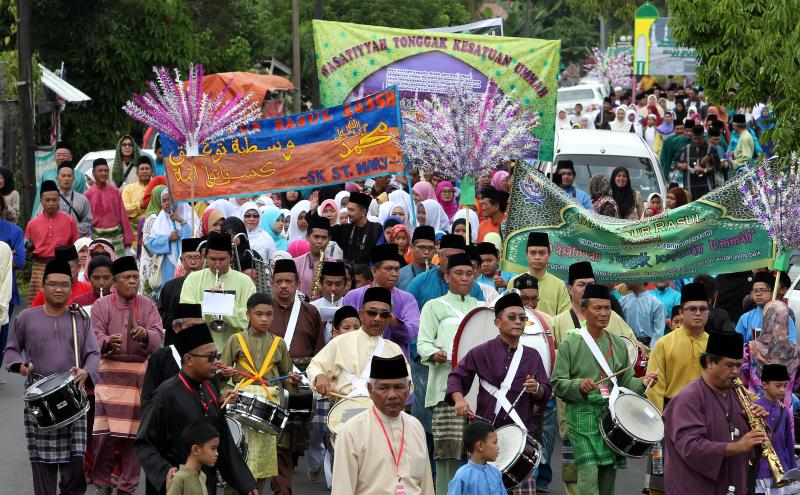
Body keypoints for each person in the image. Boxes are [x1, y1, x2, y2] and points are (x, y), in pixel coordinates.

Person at [3, 259, 100, 495]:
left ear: (71, 286)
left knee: (75, 468)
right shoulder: (26, 318)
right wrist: (20, 365)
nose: (59, 289)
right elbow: (11, 350)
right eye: (53, 284)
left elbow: (93, 353)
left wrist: (86, 371)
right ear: (43, 287)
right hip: (40, 399)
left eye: (64, 284)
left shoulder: (80, 319)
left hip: (73, 398)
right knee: (43, 468)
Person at [551, 284, 659, 495]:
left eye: (607, 308)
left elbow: (627, 383)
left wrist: (643, 382)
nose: (603, 313)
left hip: (610, 416)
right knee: (588, 471)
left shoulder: (618, 344)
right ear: (584, 311)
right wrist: (578, 385)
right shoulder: (570, 344)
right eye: (597, 308)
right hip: (581, 416)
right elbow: (557, 383)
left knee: (608, 475)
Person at [134, 323, 258, 495]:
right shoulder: (165, 395)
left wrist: (245, 483)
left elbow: (223, 441)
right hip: (175, 485)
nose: (216, 362)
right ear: (188, 359)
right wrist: (165, 471)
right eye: (210, 357)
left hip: (205, 483)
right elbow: (144, 442)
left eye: (216, 355)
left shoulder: (210, 389)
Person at [448, 291, 551, 495]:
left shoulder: (532, 355)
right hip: (486, 437)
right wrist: (459, 400)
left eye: (522, 318)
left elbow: (546, 392)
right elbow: (457, 377)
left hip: (521, 437)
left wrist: (537, 389)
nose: (518, 322)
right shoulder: (481, 351)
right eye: (511, 317)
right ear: (497, 322)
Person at [90, 256, 164, 495]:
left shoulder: (148, 305)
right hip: (109, 373)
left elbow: (157, 335)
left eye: (135, 277)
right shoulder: (101, 305)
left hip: (139, 376)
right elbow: (94, 336)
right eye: (127, 278)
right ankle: (102, 480)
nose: (133, 282)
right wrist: (107, 341)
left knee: (134, 436)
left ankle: (128, 486)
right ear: (114, 282)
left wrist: (145, 334)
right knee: (105, 435)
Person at [663, 331, 768, 495]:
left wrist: (761, 427)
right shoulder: (687, 400)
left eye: (739, 366)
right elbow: (691, 447)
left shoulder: (739, 395)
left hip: (734, 485)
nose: (735, 371)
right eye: (729, 365)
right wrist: (737, 446)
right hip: (695, 488)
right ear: (710, 362)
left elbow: (756, 442)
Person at [415, 252, 482, 493]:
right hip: (445, 391)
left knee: (480, 454)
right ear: (446, 277)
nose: (465, 278)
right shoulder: (434, 307)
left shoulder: (482, 309)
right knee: (448, 455)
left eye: (469, 273)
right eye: (458, 273)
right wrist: (434, 353)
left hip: (479, 392)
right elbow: (422, 342)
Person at [220, 293, 300, 492]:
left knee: (262, 460)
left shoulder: (279, 343)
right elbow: (220, 376)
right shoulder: (235, 340)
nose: (264, 319)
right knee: (239, 453)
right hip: (240, 404)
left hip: (268, 407)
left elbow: (286, 376)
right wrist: (224, 373)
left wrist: (292, 380)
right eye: (259, 314)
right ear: (248, 314)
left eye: (269, 314)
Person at [642, 282, 710, 495]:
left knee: (699, 477)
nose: (698, 314)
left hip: (705, 418)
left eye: (703, 309)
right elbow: (654, 386)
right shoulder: (664, 343)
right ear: (681, 312)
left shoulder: (715, 344)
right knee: (660, 479)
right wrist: (659, 422)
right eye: (692, 309)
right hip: (669, 417)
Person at [331, 354, 433, 495]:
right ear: (370, 390)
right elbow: (342, 489)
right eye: (384, 388)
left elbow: (426, 486)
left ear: (409, 388)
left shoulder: (416, 427)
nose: (392, 395)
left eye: (399, 387)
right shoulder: (351, 432)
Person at [268, 258, 324, 494]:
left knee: (294, 444)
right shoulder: (264, 310)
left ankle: (284, 480)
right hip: (272, 382)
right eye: (279, 281)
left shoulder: (310, 312)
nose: (284, 286)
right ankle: (283, 488)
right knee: (277, 442)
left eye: (288, 281)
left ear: (297, 283)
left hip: (301, 385)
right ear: (271, 284)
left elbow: (319, 350)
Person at [307, 287, 407, 399]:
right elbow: (315, 365)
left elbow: (406, 384)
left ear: (389, 319)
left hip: (380, 411)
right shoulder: (340, 342)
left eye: (384, 314)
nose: (378, 318)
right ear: (361, 314)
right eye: (372, 312)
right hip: (345, 409)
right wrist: (319, 376)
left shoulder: (394, 350)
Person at [180, 231, 257, 352]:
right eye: (213, 259)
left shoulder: (245, 282)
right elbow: (186, 316)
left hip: (235, 350)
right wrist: (209, 301)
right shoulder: (193, 279)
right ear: (205, 256)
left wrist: (224, 304)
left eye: (222, 259)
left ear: (231, 257)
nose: (217, 264)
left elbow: (249, 318)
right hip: (200, 349)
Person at [342, 244, 419, 359]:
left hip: (394, 361)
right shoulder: (353, 296)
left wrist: (390, 318)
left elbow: (411, 334)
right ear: (374, 270)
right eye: (388, 269)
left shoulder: (407, 299)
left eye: (397, 269)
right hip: (358, 358)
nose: (394, 273)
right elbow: (347, 330)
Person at [25, 180, 79, 305]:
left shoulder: (69, 220)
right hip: (39, 267)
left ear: (59, 200)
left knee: (63, 302)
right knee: (36, 305)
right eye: (47, 200)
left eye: (54, 200)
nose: (51, 203)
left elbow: (75, 247)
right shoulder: (32, 224)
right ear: (41, 200)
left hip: (63, 266)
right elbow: (27, 249)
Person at [140, 304, 205, 406]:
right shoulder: (160, 358)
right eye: (191, 326)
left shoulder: (205, 357)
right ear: (176, 327)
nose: (196, 331)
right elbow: (148, 398)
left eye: (200, 326)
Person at [752, 364, 798, 495]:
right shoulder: (754, 408)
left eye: (785, 385)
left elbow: (789, 443)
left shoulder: (784, 411)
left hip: (782, 470)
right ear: (764, 385)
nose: (783, 390)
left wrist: (792, 470)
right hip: (761, 470)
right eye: (778, 385)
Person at [144, 189, 199, 297]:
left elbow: (195, 235)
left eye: (170, 200)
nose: (167, 203)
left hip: (188, 262)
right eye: (164, 201)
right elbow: (151, 244)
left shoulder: (189, 214)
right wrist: (168, 239)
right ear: (161, 204)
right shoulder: (159, 221)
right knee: (169, 293)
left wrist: (182, 222)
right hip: (167, 263)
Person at [507, 232, 570, 316]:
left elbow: (564, 317)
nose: (537, 257)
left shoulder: (559, 285)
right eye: (533, 253)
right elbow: (507, 312)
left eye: (542, 253)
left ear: (549, 255)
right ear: (526, 254)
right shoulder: (515, 282)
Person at [158, 238, 204, 345]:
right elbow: (160, 315)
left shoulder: (209, 284)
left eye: (197, 257)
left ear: (203, 259)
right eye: (189, 258)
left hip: (202, 338)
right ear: (182, 260)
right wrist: (178, 321)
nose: (193, 262)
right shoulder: (170, 286)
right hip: (175, 338)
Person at [85, 158, 134, 256]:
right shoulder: (87, 194)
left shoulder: (115, 191)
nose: (103, 173)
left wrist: (128, 241)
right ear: (94, 173)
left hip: (117, 238)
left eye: (106, 170)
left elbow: (123, 216)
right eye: (100, 171)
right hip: (97, 239)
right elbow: (86, 221)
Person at [736, 271, 797, 344]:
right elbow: (737, 344)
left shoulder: (785, 317)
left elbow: (792, 344)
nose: (758, 294)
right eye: (755, 291)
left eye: (763, 290)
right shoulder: (745, 318)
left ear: (773, 292)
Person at [446, 421, 505, 495]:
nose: (498, 447)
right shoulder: (462, 477)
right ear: (480, 446)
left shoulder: (496, 473)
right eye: (494, 442)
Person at [165, 421, 219, 495]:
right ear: (195, 450)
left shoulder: (203, 476)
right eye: (213, 448)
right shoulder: (179, 479)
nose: (217, 453)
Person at [331, 191, 383, 264]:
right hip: (348, 273)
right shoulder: (345, 229)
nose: (348, 213)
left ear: (363, 212)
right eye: (348, 209)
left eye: (352, 210)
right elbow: (324, 231)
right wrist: (313, 212)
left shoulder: (376, 229)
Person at [46, 162, 93, 237]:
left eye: (69, 176)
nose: (66, 179)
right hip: (54, 239)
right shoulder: (48, 198)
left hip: (76, 240)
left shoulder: (82, 199)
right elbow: (41, 217)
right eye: (63, 176)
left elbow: (88, 220)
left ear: (73, 178)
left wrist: (73, 230)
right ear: (57, 178)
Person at [293, 214, 335, 296]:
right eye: (316, 237)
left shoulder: (334, 264)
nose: (320, 241)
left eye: (324, 238)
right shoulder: (295, 263)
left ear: (329, 239)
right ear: (307, 237)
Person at [675, 124, 719, 200]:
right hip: (690, 189)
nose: (696, 141)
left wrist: (704, 170)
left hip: (707, 190)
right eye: (694, 138)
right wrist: (680, 165)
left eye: (699, 138)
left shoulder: (711, 149)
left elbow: (717, 167)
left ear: (703, 136)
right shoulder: (685, 149)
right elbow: (676, 163)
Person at [309, 261, 348, 343]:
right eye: (329, 284)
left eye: (338, 284)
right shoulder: (311, 307)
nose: (333, 288)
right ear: (320, 284)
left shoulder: (349, 306)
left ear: (345, 285)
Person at [621, 282, 665, 347]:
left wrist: (651, 351)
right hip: (628, 344)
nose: (626, 281)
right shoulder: (623, 301)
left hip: (648, 345)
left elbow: (658, 331)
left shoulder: (655, 303)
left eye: (631, 276)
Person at [397, 225, 436, 291]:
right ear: (412, 247)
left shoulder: (441, 274)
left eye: (430, 248)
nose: (426, 252)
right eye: (422, 247)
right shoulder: (399, 275)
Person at [121, 156, 154, 232]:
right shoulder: (128, 189)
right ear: (137, 172)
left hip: (154, 230)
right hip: (133, 232)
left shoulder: (157, 188)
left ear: (152, 172)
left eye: (147, 169)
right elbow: (124, 209)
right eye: (142, 169)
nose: (144, 171)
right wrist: (139, 205)